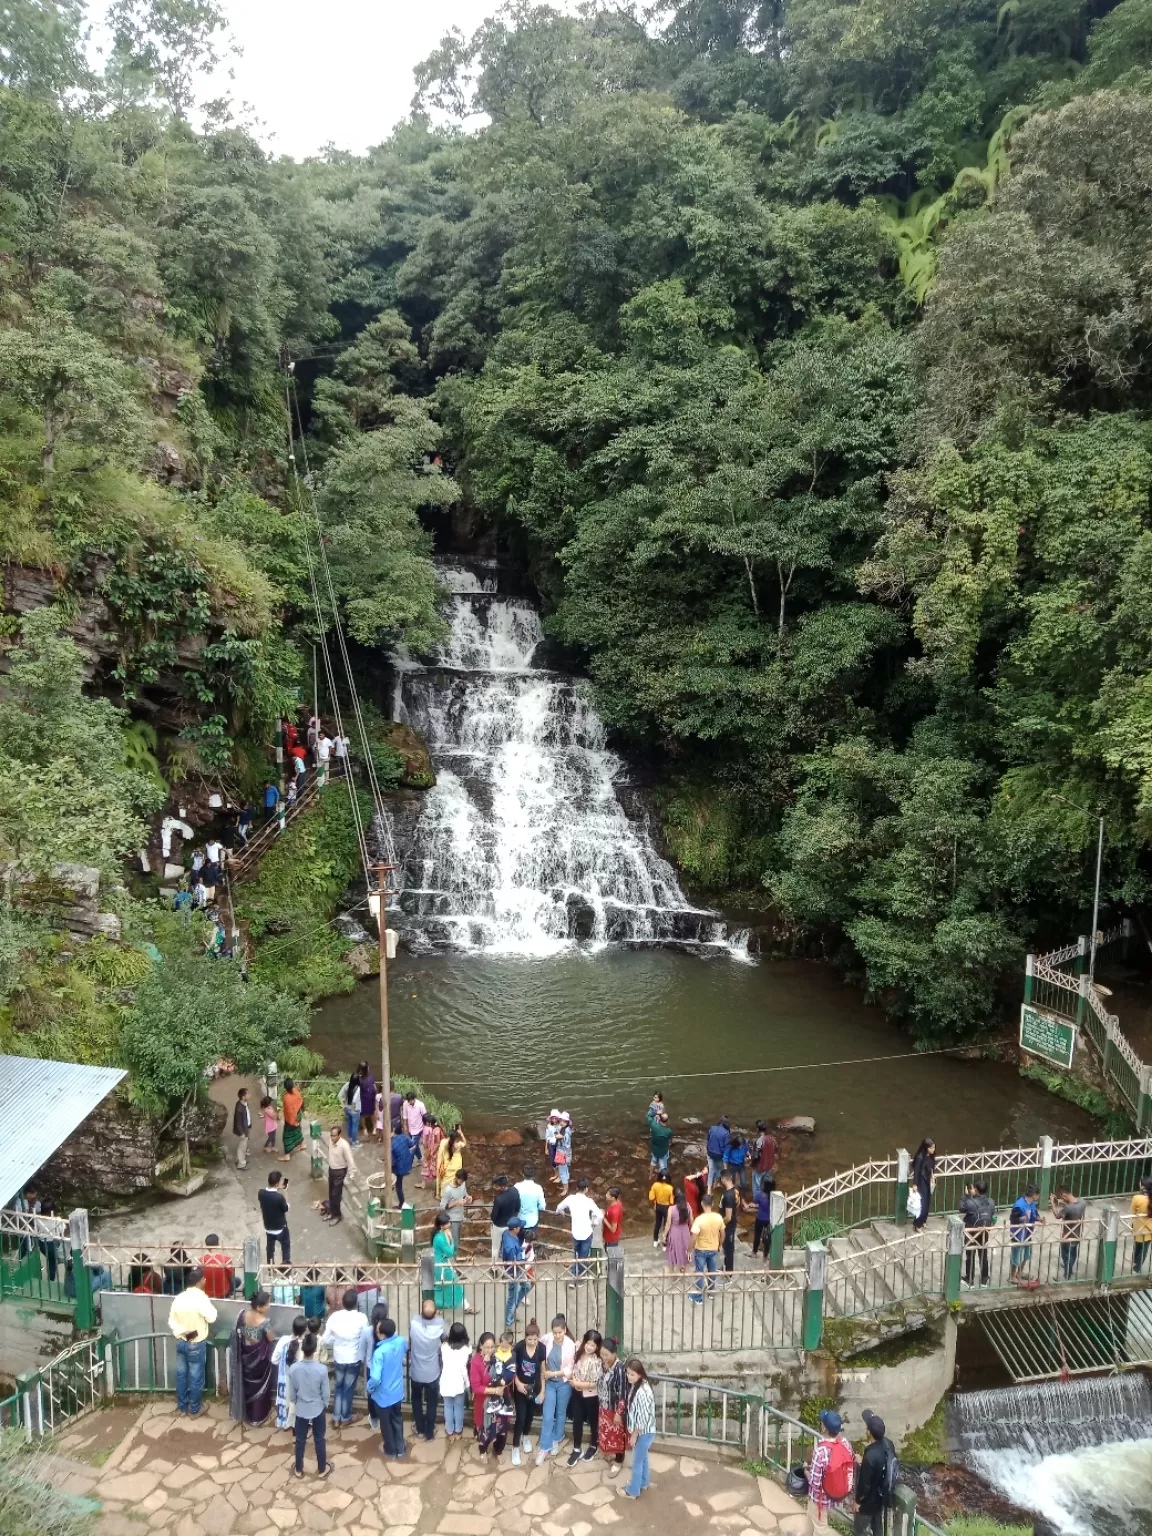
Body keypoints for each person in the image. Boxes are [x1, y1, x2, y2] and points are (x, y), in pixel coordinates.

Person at [168, 1267, 217, 1417]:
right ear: (200, 1281)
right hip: (196, 1344)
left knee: (182, 1375)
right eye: (204, 1279)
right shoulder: (201, 1299)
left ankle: (182, 1408)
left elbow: (171, 1320)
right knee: (196, 1378)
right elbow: (212, 1317)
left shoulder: (179, 1298)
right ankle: (195, 1409)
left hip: (181, 1341)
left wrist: (182, 1332)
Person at [321, 1286, 371, 1425]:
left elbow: (325, 1339)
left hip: (339, 1357)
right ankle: (345, 1417)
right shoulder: (362, 1318)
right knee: (348, 1389)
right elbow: (365, 1337)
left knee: (339, 1387)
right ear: (356, 1303)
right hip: (354, 1358)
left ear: (342, 1303)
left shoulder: (334, 1317)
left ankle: (336, 1417)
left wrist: (336, 1340)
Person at [287, 1331, 332, 1479]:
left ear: (302, 1349)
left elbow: (292, 1393)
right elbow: (325, 1393)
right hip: (318, 1408)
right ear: (315, 1350)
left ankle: (299, 1469)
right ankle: (321, 1469)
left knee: (300, 1440)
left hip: (301, 1409)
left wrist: (295, 1402)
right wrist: (324, 1403)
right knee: (319, 1439)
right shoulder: (322, 1370)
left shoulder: (293, 1369)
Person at [229, 1290, 276, 1425]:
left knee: (248, 1387)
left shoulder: (243, 1315)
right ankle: (259, 1417)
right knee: (261, 1389)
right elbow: (271, 1338)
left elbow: (244, 1334)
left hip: (245, 1358)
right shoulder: (264, 1322)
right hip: (260, 1361)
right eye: (267, 1304)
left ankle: (248, 1415)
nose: (269, 1306)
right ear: (259, 1307)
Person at [535, 1315, 576, 1465]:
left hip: (563, 1383)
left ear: (564, 1330)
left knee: (560, 1413)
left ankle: (557, 1438)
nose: (557, 1335)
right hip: (550, 1384)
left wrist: (553, 1373)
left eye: (560, 1332)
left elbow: (570, 1368)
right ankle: (544, 1447)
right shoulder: (547, 1339)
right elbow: (538, 1349)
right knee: (547, 1416)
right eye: (555, 1332)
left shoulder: (570, 1345)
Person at [367, 1317, 408, 1458]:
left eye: (378, 1330)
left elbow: (376, 1378)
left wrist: (369, 1387)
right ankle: (401, 1448)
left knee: (386, 1424)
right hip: (397, 1392)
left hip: (382, 1396)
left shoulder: (379, 1353)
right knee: (397, 1419)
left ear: (382, 1334)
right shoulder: (401, 1341)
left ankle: (390, 1451)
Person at [807, 1408, 855, 1528]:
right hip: (836, 1494)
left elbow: (814, 1483)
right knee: (810, 1521)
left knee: (820, 1528)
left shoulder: (820, 1452)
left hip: (820, 1499)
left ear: (824, 1427)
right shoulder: (845, 1443)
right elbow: (852, 1460)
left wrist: (806, 1470)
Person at [470, 1331, 513, 1462]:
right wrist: (494, 1391)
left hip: (500, 1402)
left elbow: (510, 1374)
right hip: (484, 1403)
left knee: (501, 1429)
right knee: (485, 1429)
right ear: (480, 1346)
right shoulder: (476, 1362)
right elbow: (476, 1387)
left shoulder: (498, 1358)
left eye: (492, 1347)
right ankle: (483, 1451)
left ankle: (498, 1451)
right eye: (487, 1347)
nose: (490, 1350)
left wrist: (503, 1384)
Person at [854, 1409, 896, 1536]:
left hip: (869, 1502)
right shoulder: (889, 1444)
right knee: (877, 1528)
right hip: (882, 1496)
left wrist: (858, 1501)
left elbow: (864, 1484)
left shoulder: (870, 1455)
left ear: (869, 1433)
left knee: (859, 1530)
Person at [409, 1297, 446, 1441]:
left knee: (416, 1400)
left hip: (416, 1372)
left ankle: (419, 1428)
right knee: (432, 1402)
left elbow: (410, 1342)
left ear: (421, 1311)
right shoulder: (439, 1324)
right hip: (432, 1373)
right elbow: (445, 1340)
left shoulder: (414, 1321)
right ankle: (429, 1431)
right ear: (436, 1312)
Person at [510, 1319, 546, 1465]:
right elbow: (512, 1368)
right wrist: (517, 1383)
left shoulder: (542, 1348)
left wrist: (542, 1391)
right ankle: (515, 1447)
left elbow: (543, 1370)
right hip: (521, 1388)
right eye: (529, 1339)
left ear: (538, 1337)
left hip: (535, 1388)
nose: (532, 1342)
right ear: (525, 1337)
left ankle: (526, 1436)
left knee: (530, 1416)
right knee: (520, 1417)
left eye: (535, 1339)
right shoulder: (518, 1348)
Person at [620, 1358, 656, 1501]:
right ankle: (644, 1482)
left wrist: (634, 1435)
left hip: (643, 1432)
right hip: (648, 1430)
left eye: (632, 1374)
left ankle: (633, 1491)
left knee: (637, 1462)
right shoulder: (642, 1385)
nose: (629, 1376)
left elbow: (641, 1418)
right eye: (628, 1373)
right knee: (643, 1458)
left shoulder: (641, 1392)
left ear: (639, 1374)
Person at [568, 1329, 603, 1466]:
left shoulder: (597, 1360)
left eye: (593, 1345)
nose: (589, 1347)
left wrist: (577, 1383)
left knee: (593, 1421)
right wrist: (573, 1380)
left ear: (597, 1347)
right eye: (588, 1343)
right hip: (577, 1393)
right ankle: (577, 1448)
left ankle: (594, 1445)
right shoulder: (578, 1352)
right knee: (577, 1420)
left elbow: (594, 1383)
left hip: (591, 1396)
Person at [596, 1336, 629, 1478]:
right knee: (608, 1435)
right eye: (602, 1354)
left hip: (615, 1409)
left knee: (618, 1436)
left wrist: (619, 1412)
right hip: (604, 1406)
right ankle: (612, 1455)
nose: (603, 1357)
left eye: (606, 1355)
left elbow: (623, 1393)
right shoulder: (604, 1365)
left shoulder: (620, 1368)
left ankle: (619, 1461)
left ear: (614, 1353)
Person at [557, 1178, 602, 1278]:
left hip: (576, 1233)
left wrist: (561, 1212)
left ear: (577, 1188)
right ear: (586, 1189)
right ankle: (579, 1277)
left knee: (576, 1254)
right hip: (587, 1233)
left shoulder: (570, 1199)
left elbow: (559, 1207)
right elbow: (600, 1215)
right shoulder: (589, 1201)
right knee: (583, 1256)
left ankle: (575, 1273)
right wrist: (594, 1223)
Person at [958, 1178, 996, 1288]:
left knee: (970, 1254)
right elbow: (991, 1212)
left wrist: (966, 1195)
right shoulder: (991, 1202)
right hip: (984, 1230)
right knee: (983, 1254)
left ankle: (969, 1280)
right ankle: (984, 1280)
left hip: (972, 1231)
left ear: (975, 1189)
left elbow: (961, 1207)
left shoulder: (970, 1202)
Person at [689, 1195, 725, 1302]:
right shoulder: (718, 1217)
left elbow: (693, 1237)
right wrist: (719, 1245)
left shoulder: (699, 1220)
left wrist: (689, 1250)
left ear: (702, 1204)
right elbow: (723, 1234)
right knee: (712, 1272)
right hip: (714, 1250)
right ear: (712, 1204)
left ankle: (699, 1297)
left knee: (699, 1273)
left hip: (701, 1250)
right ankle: (711, 1293)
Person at [273, 1315, 307, 1431]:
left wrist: (283, 1364)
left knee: (287, 1400)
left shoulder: (283, 1341)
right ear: (305, 1330)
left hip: (285, 1379)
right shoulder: (306, 1344)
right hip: (300, 1380)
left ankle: (285, 1422)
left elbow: (274, 1360)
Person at [440, 1322, 471, 1442]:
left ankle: (450, 1431)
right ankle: (458, 1430)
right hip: (459, 1383)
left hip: (446, 1380)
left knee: (448, 1407)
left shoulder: (444, 1346)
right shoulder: (466, 1349)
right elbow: (464, 1369)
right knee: (459, 1408)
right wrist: (468, 1385)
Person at [432, 1211, 468, 1311]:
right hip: (442, 1265)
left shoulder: (439, 1234)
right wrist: (451, 1241)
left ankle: (437, 1306)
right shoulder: (441, 1237)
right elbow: (450, 1252)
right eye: (447, 1222)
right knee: (453, 1285)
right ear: (442, 1225)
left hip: (440, 1263)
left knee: (442, 1286)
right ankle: (465, 1307)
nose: (450, 1224)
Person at [1009, 1183, 1041, 1287]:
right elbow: (1013, 1219)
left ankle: (1020, 1272)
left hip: (1028, 1232)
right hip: (1018, 1233)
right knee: (1016, 1255)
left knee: (1027, 1254)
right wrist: (1023, 1218)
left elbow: (1035, 1213)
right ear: (1034, 1195)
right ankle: (1012, 1276)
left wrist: (1039, 1219)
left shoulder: (1032, 1203)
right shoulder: (1019, 1205)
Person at [1051, 1186, 1087, 1280]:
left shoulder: (1068, 1208)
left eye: (1061, 1196)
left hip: (1067, 1236)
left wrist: (1052, 1203)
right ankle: (1069, 1267)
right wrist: (1060, 1202)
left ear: (1064, 1195)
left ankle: (1067, 1274)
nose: (1062, 1198)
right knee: (1073, 1254)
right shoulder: (1082, 1202)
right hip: (1077, 1234)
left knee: (1066, 1256)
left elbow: (1057, 1215)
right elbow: (1071, 1205)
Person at [323, 1123, 356, 1225]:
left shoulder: (344, 1146)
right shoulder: (330, 1141)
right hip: (332, 1169)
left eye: (334, 1135)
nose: (332, 1138)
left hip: (340, 1171)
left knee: (336, 1195)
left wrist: (351, 1174)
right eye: (331, 1135)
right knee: (331, 1193)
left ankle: (337, 1215)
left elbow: (350, 1161)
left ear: (339, 1135)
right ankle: (332, 1212)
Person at [501, 1216, 531, 1327]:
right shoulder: (511, 1247)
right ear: (515, 1229)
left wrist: (522, 1250)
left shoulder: (507, 1233)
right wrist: (527, 1258)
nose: (521, 1228)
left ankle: (513, 1311)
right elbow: (516, 1262)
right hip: (513, 1271)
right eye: (520, 1227)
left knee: (526, 1286)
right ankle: (509, 1323)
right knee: (512, 1297)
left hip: (517, 1267)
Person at [258, 1170, 291, 1264]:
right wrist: (286, 1192)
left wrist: (276, 1188)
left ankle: (270, 1267)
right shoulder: (279, 1197)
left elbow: (269, 1194)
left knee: (270, 1249)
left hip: (268, 1228)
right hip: (281, 1228)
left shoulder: (261, 1193)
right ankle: (285, 1266)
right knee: (285, 1246)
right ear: (277, 1184)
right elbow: (286, 1208)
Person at [490, 1174, 522, 1264]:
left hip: (498, 1226)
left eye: (496, 1186)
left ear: (502, 1187)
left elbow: (493, 1216)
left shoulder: (499, 1199)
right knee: (508, 1247)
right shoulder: (514, 1191)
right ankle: (508, 1267)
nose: (495, 1187)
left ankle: (494, 1268)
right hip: (510, 1226)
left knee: (495, 1248)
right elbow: (518, 1208)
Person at [440, 1169, 472, 1255]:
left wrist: (468, 1198)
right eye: (461, 1181)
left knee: (457, 1242)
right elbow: (442, 1207)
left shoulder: (463, 1184)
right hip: (452, 1220)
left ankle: (454, 1263)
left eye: (463, 1181)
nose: (461, 1183)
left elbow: (465, 1194)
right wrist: (456, 1203)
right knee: (453, 1245)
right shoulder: (448, 1190)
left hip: (460, 1217)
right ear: (456, 1178)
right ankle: (452, 1264)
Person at [515, 1163, 548, 1243]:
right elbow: (542, 1206)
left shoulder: (517, 1186)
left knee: (519, 1242)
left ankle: (520, 1254)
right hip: (532, 1221)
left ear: (523, 1174)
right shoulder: (538, 1188)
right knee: (529, 1244)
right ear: (533, 1175)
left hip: (520, 1220)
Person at [911, 1137, 936, 1232]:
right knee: (923, 1203)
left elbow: (931, 1168)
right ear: (926, 1148)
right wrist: (915, 1184)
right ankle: (917, 1224)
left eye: (934, 1147)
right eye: (931, 1148)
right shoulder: (920, 1157)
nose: (933, 1150)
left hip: (928, 1180)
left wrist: (932, 1177)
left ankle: (923, 1221)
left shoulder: (930, 1157)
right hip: (922, 1181)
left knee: (928, 1201)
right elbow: (917, 1171)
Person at [391, 1124, 419, 1206]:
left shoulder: (392, 1143)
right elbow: (413, 1144)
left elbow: (392, 1161)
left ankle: (401, 1203)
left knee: (398, 1186)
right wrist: (409, 1149)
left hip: (398, 1168)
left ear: (393, 1130)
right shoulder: (405, 1137)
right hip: (406, 1165)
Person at [200, 1234, 235, 1299]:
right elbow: (230, 1276)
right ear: (218, 1244)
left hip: (206, 1293)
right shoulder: (226, 1259)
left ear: (206, 1246)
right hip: (223, 1292)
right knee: (236, 1280)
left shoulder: (201, 1260)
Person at [719, 1170, 740, 1273]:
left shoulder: (728, 1196)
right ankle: (725, 1266)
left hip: (728, 1227)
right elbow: (738, 1203)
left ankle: (729, 1273)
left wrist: (719, 1225)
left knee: (728, 1249)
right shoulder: (735, 1189)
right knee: (726, 1248)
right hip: (732, 1224)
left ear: (723, 1179)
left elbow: (728, 1217)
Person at [664, 1196, 692, 1272]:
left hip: (674, 1232)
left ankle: (671, 1269)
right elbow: (691, 1221)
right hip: (685, 1231)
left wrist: (664, 1235)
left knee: (673, 1249)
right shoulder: (688, 1206)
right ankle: (683, 1267)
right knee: (684, 1249)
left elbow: (668, 1224)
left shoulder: (671, 1209)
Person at [437, 1129, 467, 1196]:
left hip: (449, 1164)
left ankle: (444, 1193)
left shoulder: (446, 1144)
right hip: (457, 1163)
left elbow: (444, 1155)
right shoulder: (458, 1144)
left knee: (446, 1179)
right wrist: (462, 1134)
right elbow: (465, 1143)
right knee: (456, 1178)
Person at [648, 1171, 674, 1249]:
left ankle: (655, 1241)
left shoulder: (655, 1185)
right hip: (667, 1208)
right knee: (666, 1225)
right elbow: (672, 1201)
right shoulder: (670, 1188)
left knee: (657, 1224)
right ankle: (665, 1244)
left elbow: (651, 1197)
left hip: (658, 1207)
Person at [280, 1079, 304, 1162]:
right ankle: (301, 1145)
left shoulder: (286, 1097)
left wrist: (292, 1122)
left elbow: (289, 1112)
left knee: (286, 1136)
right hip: (298, 1116)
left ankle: (287, 1155)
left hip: (291, 1120)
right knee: (298, 1131)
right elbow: (301, 1101)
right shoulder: (296, 1091)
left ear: (285, 1087)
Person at [646, 1105, 673, 1175]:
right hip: (663, 1151)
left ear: (659, 1118)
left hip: (654, 1149)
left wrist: (656, 1112)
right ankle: (661, 1179)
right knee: (663, 1167)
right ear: (668, 1120)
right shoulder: (669, 1131)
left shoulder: (653, 1125)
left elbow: (648, 1116)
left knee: (653, 1162)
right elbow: (670, 1141)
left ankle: (650, 1176)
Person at [706, 1116, 731, 1188]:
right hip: (719, 1155)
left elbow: (708, 1139)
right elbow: (726, 1146)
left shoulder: (712, 1128)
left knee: (711, 1171)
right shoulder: (726, 1133)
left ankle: (708, 1190)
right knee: (719, 1170)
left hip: (710, 1153)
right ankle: (715, 1184)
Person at [1134, 1177, 1152, 1273]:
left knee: (1138, 1245)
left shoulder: (1137, 1198)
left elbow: (1133, 1211)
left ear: (1142, 1186)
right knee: (1145, 1247)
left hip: (1139, 1226)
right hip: (1150, 1228)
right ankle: (1137, 1266)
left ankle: (1136, 1265)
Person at [339, 1070, 362, 1147]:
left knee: (349, 1123)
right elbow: (355, 1100)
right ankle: (354, 1143)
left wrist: (343, 1105)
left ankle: (350, 1138)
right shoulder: (358, 1088)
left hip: (346, 1108)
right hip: (355, 1110)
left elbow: (339, 1096)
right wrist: (353, 1110)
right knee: (355, 1126)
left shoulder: (346, 1085)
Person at [421, 1114, 443, 1186]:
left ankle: (437, 1184)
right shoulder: (433, 1129)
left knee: (433, 1166)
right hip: (431, 1150)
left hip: (434, 1151)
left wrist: (433, 1152)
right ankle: (424, 1183)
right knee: (428, 1165)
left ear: (429, 1123)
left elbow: (438, 1143)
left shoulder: (437, 1130)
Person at [233, 1088, 251, 1170]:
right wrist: (241, 1133)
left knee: (243, 1146)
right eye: (247, 1094)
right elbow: (238, 1122)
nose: (249, 1095)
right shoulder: (239, 1108)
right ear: (243, 1097)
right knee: (242, 1147)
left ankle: (241, 1160)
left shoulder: (244, 1104)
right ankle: (241, 1164)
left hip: (245, 1128)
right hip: (243, 1130)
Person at [554, 1112, 573, 1189]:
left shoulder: (564, 1132)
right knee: (565, 1169)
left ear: (567, 1122)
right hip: (567, 1153)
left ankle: (565, 1189)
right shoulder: (567, 1129)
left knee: (562, 1171)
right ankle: (566, 1184)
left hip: (562, 1154)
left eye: (564, 1121)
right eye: (561, 1120)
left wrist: (555, 1132)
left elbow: (558, 1136)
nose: (562, 1122)